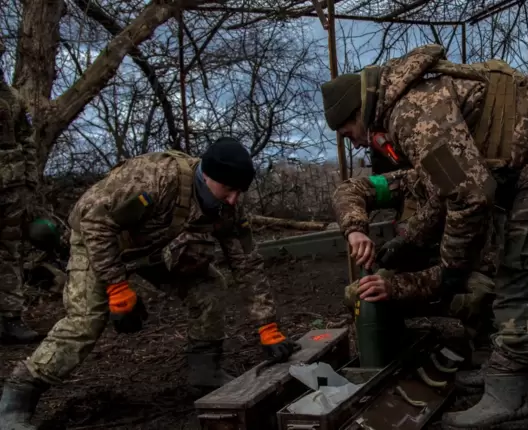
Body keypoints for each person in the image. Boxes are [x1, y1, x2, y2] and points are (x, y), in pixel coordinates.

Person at [320, 44, 528, 428]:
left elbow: (469, 198)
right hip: (527, 158)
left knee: (524, 272)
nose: (351, 141)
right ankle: (502, 374)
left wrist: (448, 271)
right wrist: (399, 240)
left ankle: (508, 397)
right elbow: (446, 192)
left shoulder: (412, 114)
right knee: (513, 270)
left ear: (359, 113)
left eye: (347, 131)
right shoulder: (407, 106)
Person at [0, 138, 301, 429]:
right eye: (229, 189)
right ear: (208, 176)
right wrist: (117, 288)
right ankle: (20, 393)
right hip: (100, 241)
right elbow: (94, 222)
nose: (234, 199)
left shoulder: (229, 207)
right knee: (86, 321)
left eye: (240, 192)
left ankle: (205, 372)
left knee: (209, 288)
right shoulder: (158, 177)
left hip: (153, 247)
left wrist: (267, 327)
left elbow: (246, 263)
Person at [332, 166, 501, 369]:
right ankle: (396, 347)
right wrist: (355, 229)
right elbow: (350, 189)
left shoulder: (472, 193)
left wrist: (395, 286)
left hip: (455, 278)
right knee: (361, 292)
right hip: (414, 275)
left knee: (482, 294)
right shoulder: (409, 181)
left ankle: (486, 349)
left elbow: (455, 271)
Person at [0, 70, 41, 345]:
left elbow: (27, 139)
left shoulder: (12, 98)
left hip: (11, 189)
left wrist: (29, 181)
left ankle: (11, 318)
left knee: (9, 252)